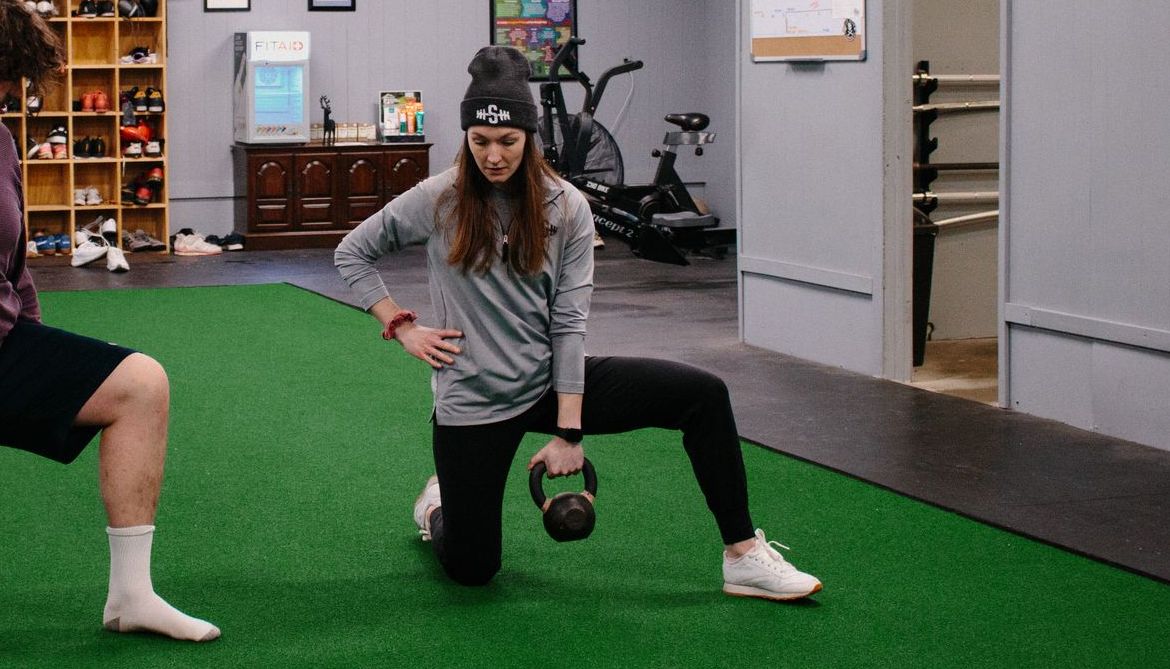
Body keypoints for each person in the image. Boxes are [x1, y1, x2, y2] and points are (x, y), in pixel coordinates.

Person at [335, 45, 822, 601]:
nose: (494, 155)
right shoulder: (440, 197)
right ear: (467, 138)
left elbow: (569, 321)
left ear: (530, 138)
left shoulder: (564, 206)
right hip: (473, 398)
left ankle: (742, 556)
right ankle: (439, 504)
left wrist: (570, 432)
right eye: (480, 141)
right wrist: (401, 325)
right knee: (474, 569)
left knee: (702, 395)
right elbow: (353, 252)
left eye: (508, 141)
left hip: (549, 378)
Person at [0, 1, 219, 641]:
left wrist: (32, 334)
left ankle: (132, 596)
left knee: (138, 383)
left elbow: (16, 266)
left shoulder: (3, 142)